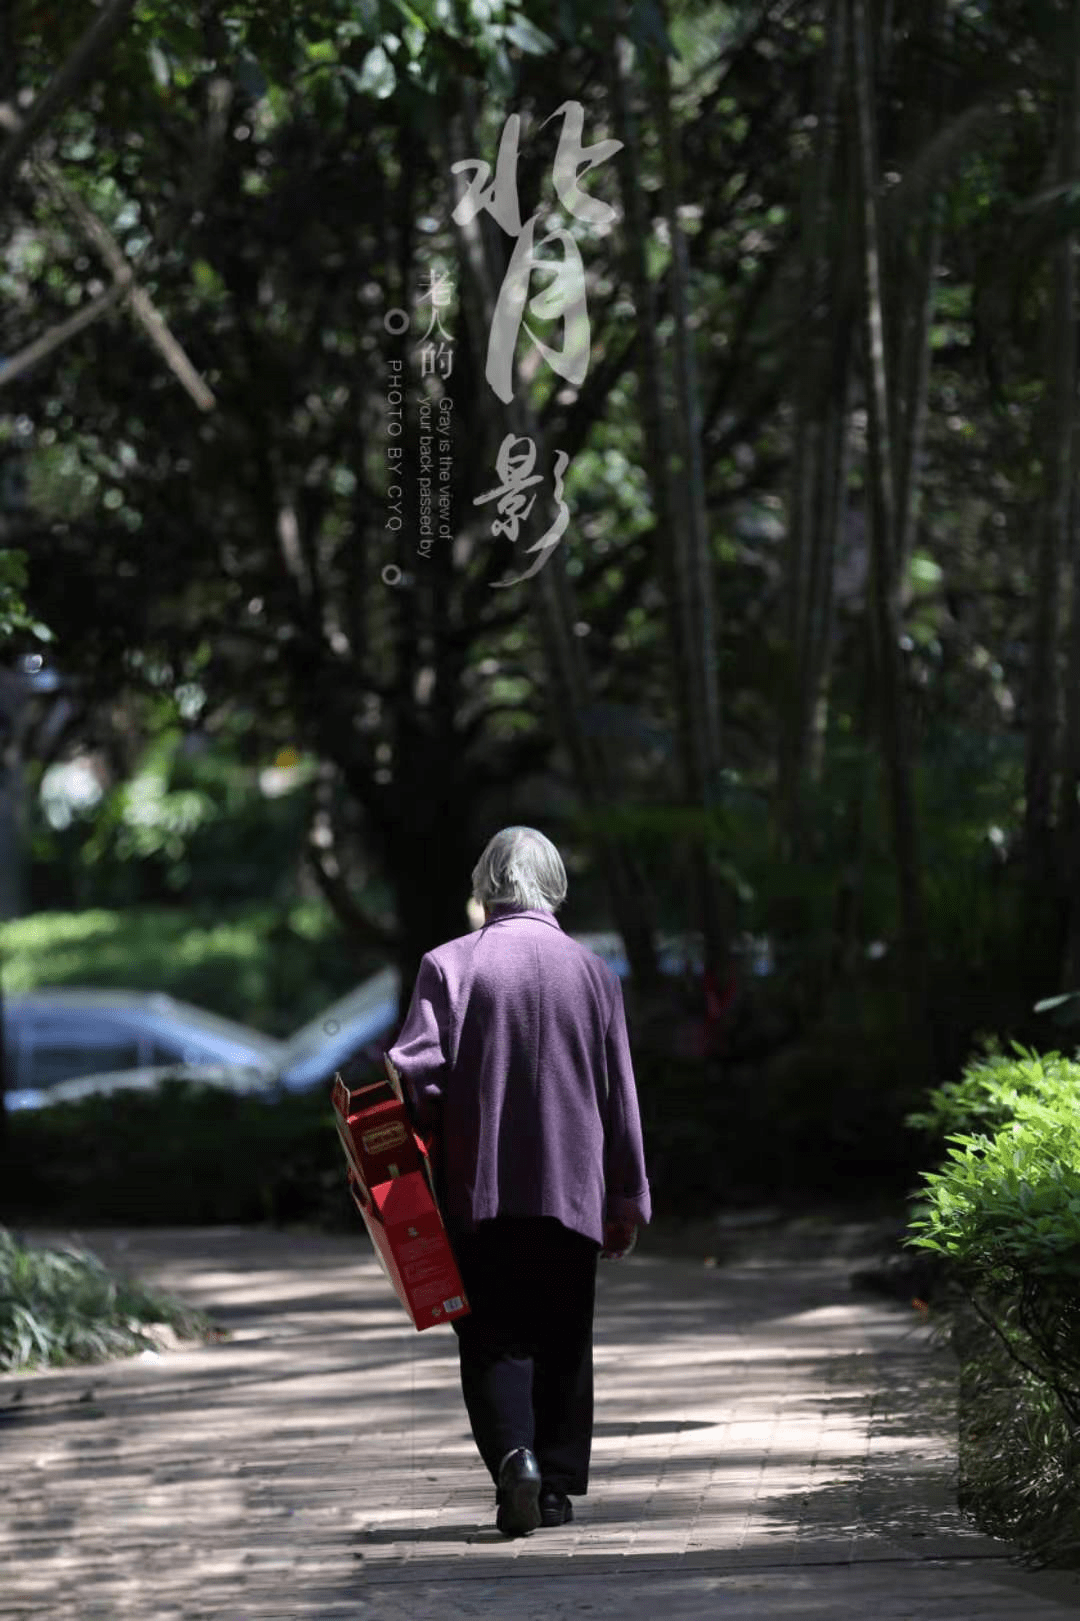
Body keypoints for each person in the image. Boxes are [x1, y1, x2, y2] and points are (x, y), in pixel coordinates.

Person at [386, 825, 651, 1537]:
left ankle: (514, 1461)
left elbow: (415, 1073)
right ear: (554, 884)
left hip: (482, 1189)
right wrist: (625, 1197)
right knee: (564, 1335)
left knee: (494, 1335)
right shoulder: (595, 974)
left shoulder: (448, 966)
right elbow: (618, 1095)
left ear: (485, 884)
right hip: (574, 1190)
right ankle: (557, 1489)